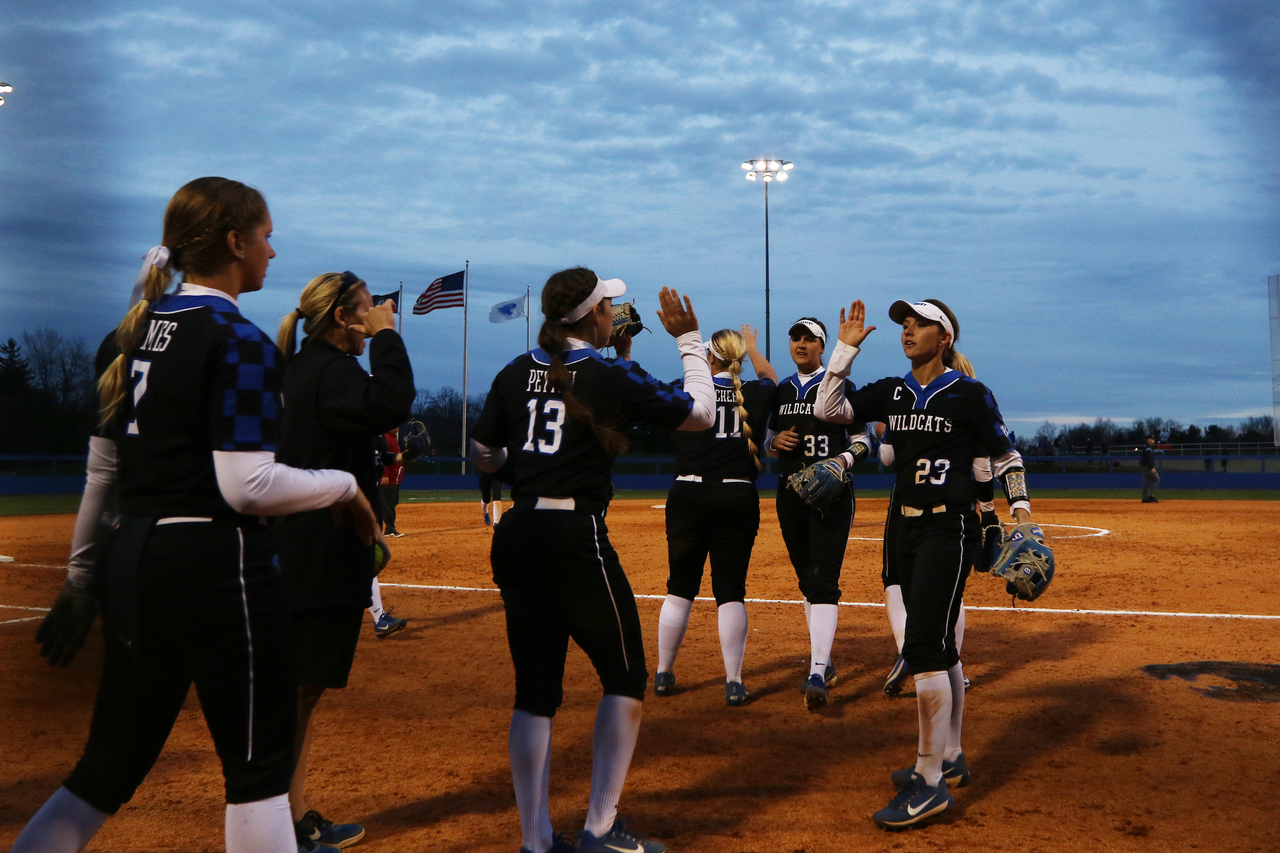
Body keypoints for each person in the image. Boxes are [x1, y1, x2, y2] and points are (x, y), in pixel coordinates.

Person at [14, 177, 377, 853]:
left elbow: (104, 476)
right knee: (259, 776)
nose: (273, 248)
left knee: (106, 768)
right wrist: (342, 487)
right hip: (217, 569)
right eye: (266, 234)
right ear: (235, 242)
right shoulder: (236, 338)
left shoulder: (127, 333)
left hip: (134, 565)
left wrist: (81, 579)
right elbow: (247, 484)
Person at [471, 268, 714, 853]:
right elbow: (700, 415)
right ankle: (599, 830)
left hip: (519, 530)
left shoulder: (514, 370)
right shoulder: (609, 372)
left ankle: (536, 841)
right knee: (626, 675)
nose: (613, 313)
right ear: (594, 315)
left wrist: (524, 472)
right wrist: (689, 341)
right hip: (573, 535)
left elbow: (484, 452)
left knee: (535, 692)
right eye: (609, 306)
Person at [815, 298, 1037, 830]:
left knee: (922, 649)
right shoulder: (894, 391)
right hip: (907, 524)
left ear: (946, 338)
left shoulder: (968, 395)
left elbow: (1006, 456)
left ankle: (929, 781)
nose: (907, 330)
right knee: (938, 646)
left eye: (919, 324)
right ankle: (951, 756)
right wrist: (843, 350)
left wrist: (1021, 512)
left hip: (949, 525)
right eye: (904, 325)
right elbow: (828, 409)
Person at [274, 271, 415, 851]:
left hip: (307, 548)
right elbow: (391, 401)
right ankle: (279, 824)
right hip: (315, 553)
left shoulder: (306, 368)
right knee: (295, 693)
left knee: (301, 691)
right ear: (341, 318)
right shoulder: (328, 370)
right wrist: (386, 336)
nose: (377, 314)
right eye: (365, 310)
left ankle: (293, 818)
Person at [653, 325, 777, 707]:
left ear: (708, 357)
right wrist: (753, 349)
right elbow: (771, 378)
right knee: (730, 591)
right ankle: (734, 681)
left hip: (688, 494)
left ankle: (662, 672)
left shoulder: (684, 390)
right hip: (737, 496)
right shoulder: (754, 393)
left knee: (680, 588)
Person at [763, 317, 870, 712]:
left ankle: (817, 670)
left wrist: (841, 463)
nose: (801, 344)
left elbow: (863, 441)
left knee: (823, 581)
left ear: (823, 347)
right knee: (806, 578)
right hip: (789, 491)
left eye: (810, 339)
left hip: (832, 495)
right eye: (796, 338)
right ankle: (823, 661)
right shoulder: (782, 391)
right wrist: (775, 441)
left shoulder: (841, 384)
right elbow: (766, 438)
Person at [378, 430, 405, 537]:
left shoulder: (393, 437)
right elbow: (382, 457)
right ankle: (390, 529)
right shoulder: (386, 438)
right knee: (388, 503)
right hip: (389, 477)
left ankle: (388, 526)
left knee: (393, 502)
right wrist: (384, 474)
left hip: (395, 476)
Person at [1140, 436, 1160, 503]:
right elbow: (1148, 458)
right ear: (1148, 440)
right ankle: (1151, 496)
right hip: (1148, 467)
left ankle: (1145, 497)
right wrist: (1151, 467)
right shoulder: (1148, 448)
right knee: (1156, 479)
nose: (1153, 440)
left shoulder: (1147, 447)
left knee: (1147, 481)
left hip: (1145, 466)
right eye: (1152, 439)